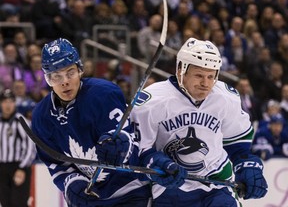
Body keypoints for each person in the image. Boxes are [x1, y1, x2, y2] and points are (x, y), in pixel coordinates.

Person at [129, 38, 268, 206]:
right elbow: (139, 149)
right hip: (171, 186)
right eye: (199, 76)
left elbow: (237, 140)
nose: (205, 84)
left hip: (217, 181)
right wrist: (158, 163)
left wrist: (245, 164)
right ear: (181, 70)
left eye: (211, 76)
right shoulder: (152, 101)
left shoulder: (225, 97)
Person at [31, 38, 151, 207]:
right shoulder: (41, 117)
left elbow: (131, 135)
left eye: (70, 72)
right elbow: (56, 163)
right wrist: (72, 184)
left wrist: (122, 145)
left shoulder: (104, 94)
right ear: (48, 79)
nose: (64, 81)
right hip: (91, 197)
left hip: (130, 190)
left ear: (80, 70)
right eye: (56, 76)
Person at [0, 89, 36, 207]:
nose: (8, 105)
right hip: (2, 168)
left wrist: (22, 167)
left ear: (15, 103)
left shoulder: (20, 121)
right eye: (5, 101)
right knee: (5, 202)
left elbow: (31, 145)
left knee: (18, 202)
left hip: (18, 167)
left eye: (11, 101)